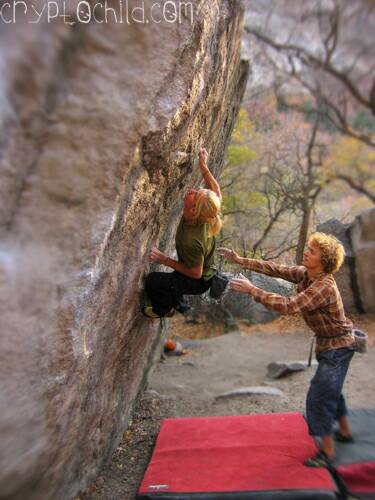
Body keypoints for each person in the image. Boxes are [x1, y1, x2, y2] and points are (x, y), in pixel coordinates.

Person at [218, 233, 357, 467]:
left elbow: (289, 306)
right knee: (332, 388)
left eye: (312, 251)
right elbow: (276, 269)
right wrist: (241, 260)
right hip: (328, 344)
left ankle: (328, 453)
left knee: (320, 394)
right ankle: (344, 431)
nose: (306, 252)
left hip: (339, 346)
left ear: (323, 260)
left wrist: (253, 290)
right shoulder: (306, 274)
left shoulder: (324, 286)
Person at [143, 147, 222, 319]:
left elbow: (195, 273)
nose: (193, 190)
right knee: (175, 278)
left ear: (194, 211)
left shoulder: (192, 240)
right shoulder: (208, 213)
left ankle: (163, 310)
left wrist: (164, 259)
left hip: (199, 280)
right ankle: (177, 299)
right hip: (197, 266)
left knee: (154, 281)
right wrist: (203, 166)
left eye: (196, 194)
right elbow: (216, 190)